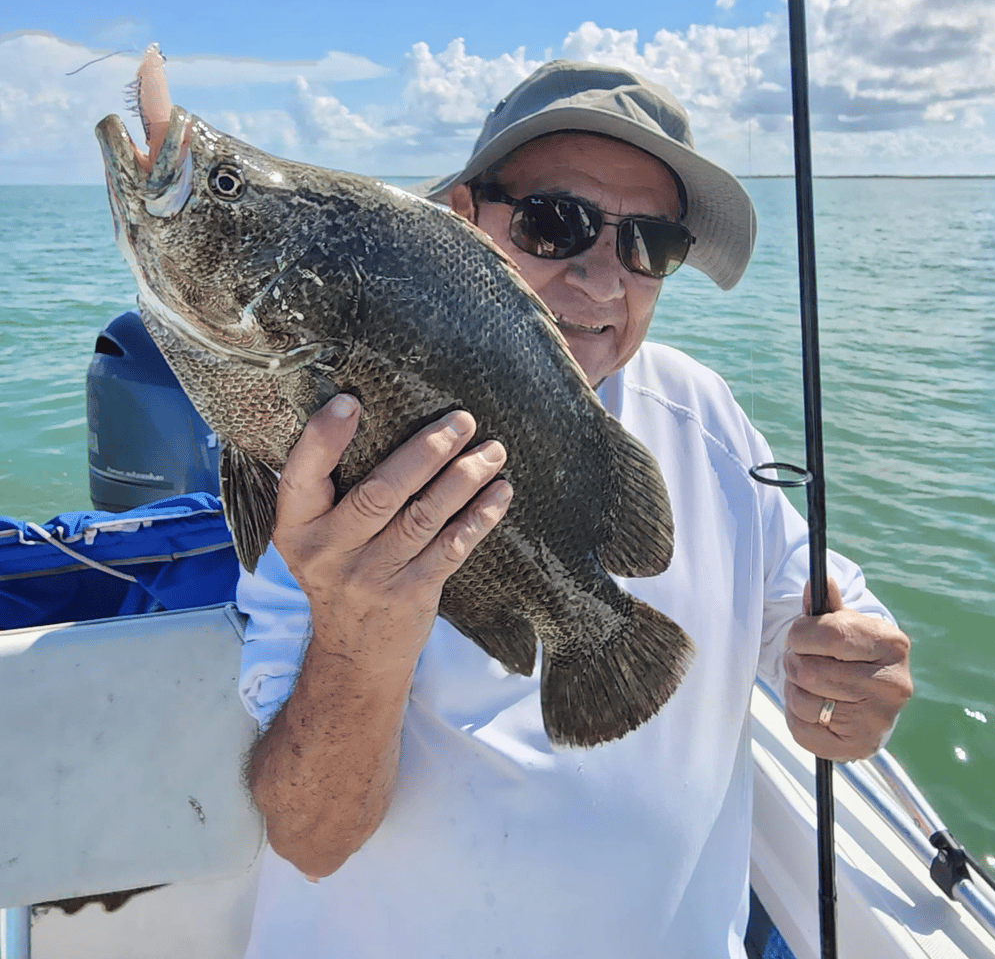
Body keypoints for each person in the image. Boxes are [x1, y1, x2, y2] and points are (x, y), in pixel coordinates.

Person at [236, 61, 912, 958]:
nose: (603, 278)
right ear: (462, 218)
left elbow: (803, 609)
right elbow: (309, 839)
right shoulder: (338, 443)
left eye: (651, 245)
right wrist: (359, 636)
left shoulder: (700, 409)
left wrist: (852, 671)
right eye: (557, 224)